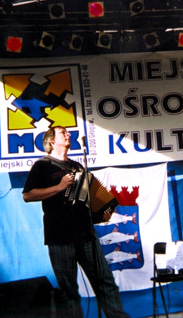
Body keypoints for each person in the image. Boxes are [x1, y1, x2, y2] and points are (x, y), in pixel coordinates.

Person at [22, 126, 129, 318]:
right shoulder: (42, 165)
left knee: (105, 281)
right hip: (59, 236)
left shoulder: (77, 167)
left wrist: (101, 211)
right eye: (63, 132)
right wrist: (59, 186)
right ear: (52, 141)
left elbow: (88, 197)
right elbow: (28, 195)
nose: (68, 134)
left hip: (85, 234)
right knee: (69, 289)